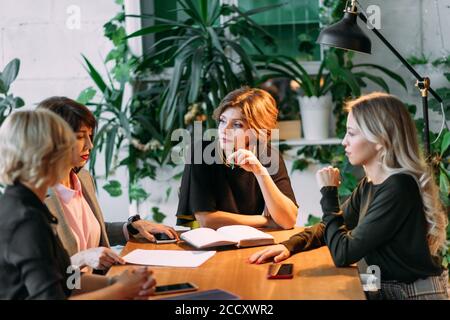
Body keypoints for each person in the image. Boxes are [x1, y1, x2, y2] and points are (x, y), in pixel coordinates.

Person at [249, 92, 448, 300]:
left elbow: (344, 254)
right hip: (385, 286)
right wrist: (288, 245)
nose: (344, 142)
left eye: (351, 134)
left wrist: (328, 193)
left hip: (413, 294)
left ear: (380, 139)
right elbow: (329, 227)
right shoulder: (370, 184)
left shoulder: (399, 187)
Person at [0, 110, 155, 299]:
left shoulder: (22, 204)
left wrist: (113, 282)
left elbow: (66, 280)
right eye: (66, 146)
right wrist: (120, 290)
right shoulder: (26, 220)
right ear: (45, 155)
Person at [37, 97, 178, 271]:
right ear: (53, 140)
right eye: (80, 137)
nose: (90, 144)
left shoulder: (83, 179)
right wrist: (80, 259)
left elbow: (92, 234)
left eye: (90, 135)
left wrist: (131, 228)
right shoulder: (37, 196)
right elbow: (40, 273)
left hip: (94, 284)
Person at [176, 87, 298, 230]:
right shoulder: (201, 152)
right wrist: (265, 221)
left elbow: (288, 220)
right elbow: (207, 220)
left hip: (251, 242)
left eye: (237, 124)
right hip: (207, 244)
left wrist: (260, 173)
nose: (224, 130)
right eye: (222, 121)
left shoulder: (268, 156)